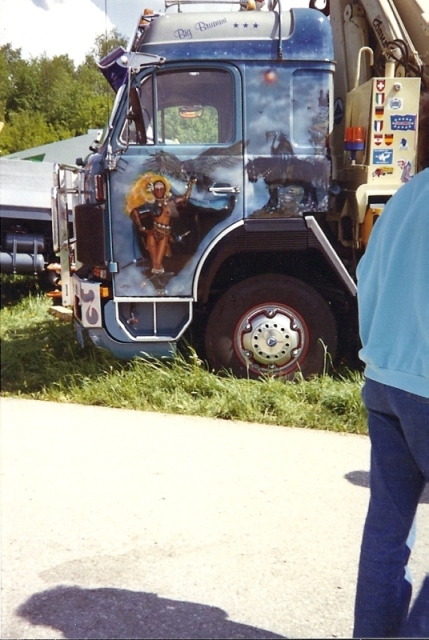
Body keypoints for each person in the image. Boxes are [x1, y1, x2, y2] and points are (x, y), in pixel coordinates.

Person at [353, 92, 429, 638]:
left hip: (385, 383)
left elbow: (368, 283)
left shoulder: (407, 196)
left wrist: (379, 355)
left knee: (387, 531)